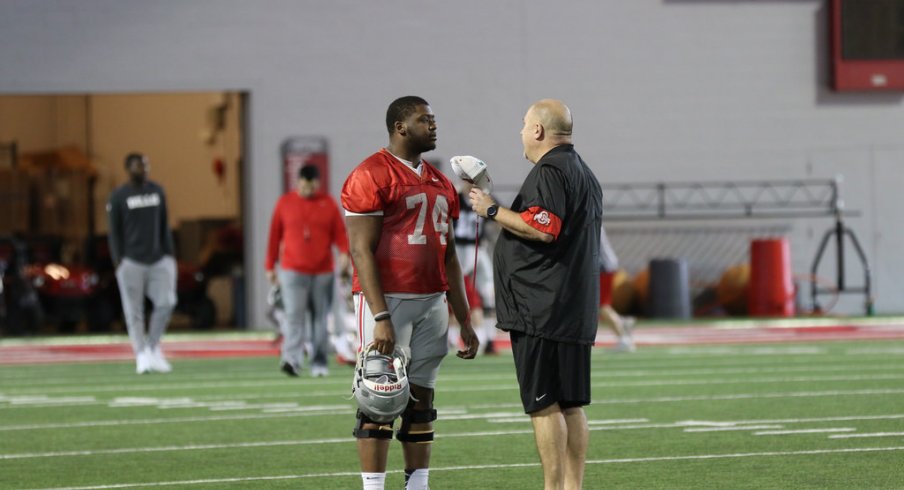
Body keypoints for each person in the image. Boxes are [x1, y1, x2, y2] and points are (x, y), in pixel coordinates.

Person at [341, 95, 479, 490]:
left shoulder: (438, 180)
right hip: (388, 300)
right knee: (379, 396)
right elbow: (360, 250)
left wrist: (464, 319)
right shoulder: (370, 174)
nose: (433, 126)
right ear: (401, 127)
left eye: (434, 119)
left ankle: (417, 485)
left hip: (432, 299)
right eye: (425, 119)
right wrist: (379, 315)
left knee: (421, 401)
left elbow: (449, 255)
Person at [469, 99, 602, 490]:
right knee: (572, 404)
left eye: (525, 124)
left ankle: (553, 487)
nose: (522, 132)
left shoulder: (550, 169)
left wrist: (491, 210)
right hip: (571, 305)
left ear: (539, 131)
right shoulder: (582, 171)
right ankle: (572, 486)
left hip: (542, 308)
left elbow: (543, 227)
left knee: (544, 405)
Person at [265, 164, 349, 378]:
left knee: (320, 319)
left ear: (317, 183)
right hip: (292, 271)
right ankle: (291, 360)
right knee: (294, 316)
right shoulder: (285, 203)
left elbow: (340, 233)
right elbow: (274, 236)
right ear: (299, 182)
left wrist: (344, 254)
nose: (309, 190)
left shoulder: (327, 203)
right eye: (305, 185)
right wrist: (269, 265)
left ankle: (319, 362)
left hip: (322, 271)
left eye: (312, 186)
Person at [106, 152, 177, 375]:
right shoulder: (118, 196)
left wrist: (169, 255)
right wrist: (118, 260)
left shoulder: (157, 191)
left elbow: (164, 223)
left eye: (146, 164)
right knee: (133, 311)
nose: (144, 168)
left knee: (166, 302)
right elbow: (113, 230)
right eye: (139, 165)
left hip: (158, 259)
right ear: (128, 169)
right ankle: (141, 354)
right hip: (131, 261)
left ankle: (153, 347)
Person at [450, 181, 497, 355]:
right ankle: (453, 338)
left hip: (478, 248)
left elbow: (497, 212)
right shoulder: (453, 197)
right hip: (458, 250)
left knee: (489, 293)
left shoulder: (483, 196)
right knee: (457, 295)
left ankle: (489, 339)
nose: (470, 186)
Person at [599, 225, 635, 352]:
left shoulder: (589, 220)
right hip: (604, 264)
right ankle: (622, 323)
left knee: (602, 305)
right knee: (600, 304)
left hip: (602, 266)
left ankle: (623, 338)